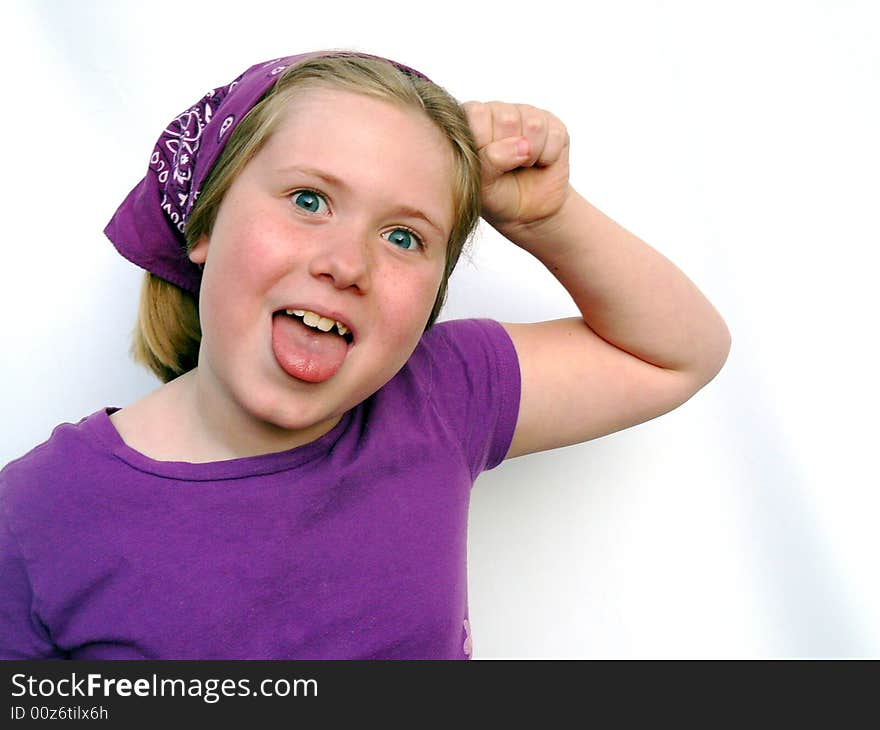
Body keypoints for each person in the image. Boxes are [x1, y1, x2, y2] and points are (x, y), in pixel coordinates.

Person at [0, 49, 731, 660]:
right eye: (309, 200)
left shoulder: (441, 396)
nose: (347, 264)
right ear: (205, 221)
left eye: (404, 236)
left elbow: (676, 354)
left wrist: (546, 216)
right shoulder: (33, 516)